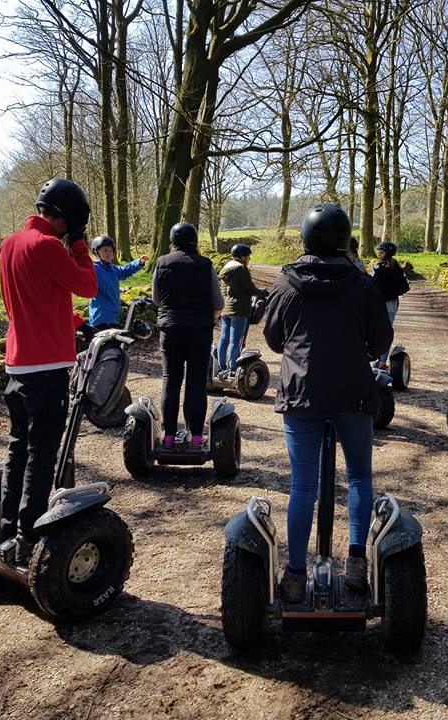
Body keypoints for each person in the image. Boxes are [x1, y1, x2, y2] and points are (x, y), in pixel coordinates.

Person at [263, 203, 393, 603]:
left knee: (303, 485)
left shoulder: (285, 284)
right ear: (343, 237)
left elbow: (272, 338)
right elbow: (381, 341)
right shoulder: (361, 283)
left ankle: (297, 573)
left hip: (302, 393)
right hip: (353, 392)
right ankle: (355, 561)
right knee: (358, 477)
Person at [0, 178, 97, 564]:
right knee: (42, 453)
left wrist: (67, 320)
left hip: (18, 361)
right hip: (47, 366)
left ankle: (8, 529)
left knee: (17, 448)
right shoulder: (48, 246)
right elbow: (88, 285)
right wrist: (78, 247)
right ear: (68, 218)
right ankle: (28, 535)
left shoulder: (9, 245)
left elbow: (31, 297)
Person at [152, 222, 224, 449]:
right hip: (199, 331)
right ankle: (195, 437)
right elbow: (219, 302)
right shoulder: (205, 265)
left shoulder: (162, 262)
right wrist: (210, 317)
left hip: (170, 330)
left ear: (173, 241)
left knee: (170, 380)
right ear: (195, 241)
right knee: (195, 382)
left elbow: (156, 298)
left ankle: (169, 436)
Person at [216, 243, 268, 377]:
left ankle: (222, 368)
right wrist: (263, 293)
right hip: (239, 310)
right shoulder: (241, 270)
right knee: (236, 341)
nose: (249, 260)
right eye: (248, 257)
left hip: (226, 310)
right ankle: (233, 370)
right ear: (243, 257)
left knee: (223, 340)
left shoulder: (225, 269)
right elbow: (251, 289)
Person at [88, 235, 149, 329]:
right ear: (96, 252)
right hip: (100, 318)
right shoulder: (94, 269)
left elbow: (125, 271)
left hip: (113, 317)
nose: (109, 253)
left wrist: (138, 262)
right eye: (105, 250)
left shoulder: (113, 269)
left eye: (111, 251)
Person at [369, 241, 409, 369]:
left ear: (387, 253)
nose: (379, 253)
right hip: (392, 303)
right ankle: (382, 363)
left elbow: (369, 283)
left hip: (378, 304)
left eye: (381, 251)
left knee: (371, 330)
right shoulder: (398, 268)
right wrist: (393, 293)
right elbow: (405, 286)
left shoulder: (377, 268)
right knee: (386, 332)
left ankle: (368, 358)